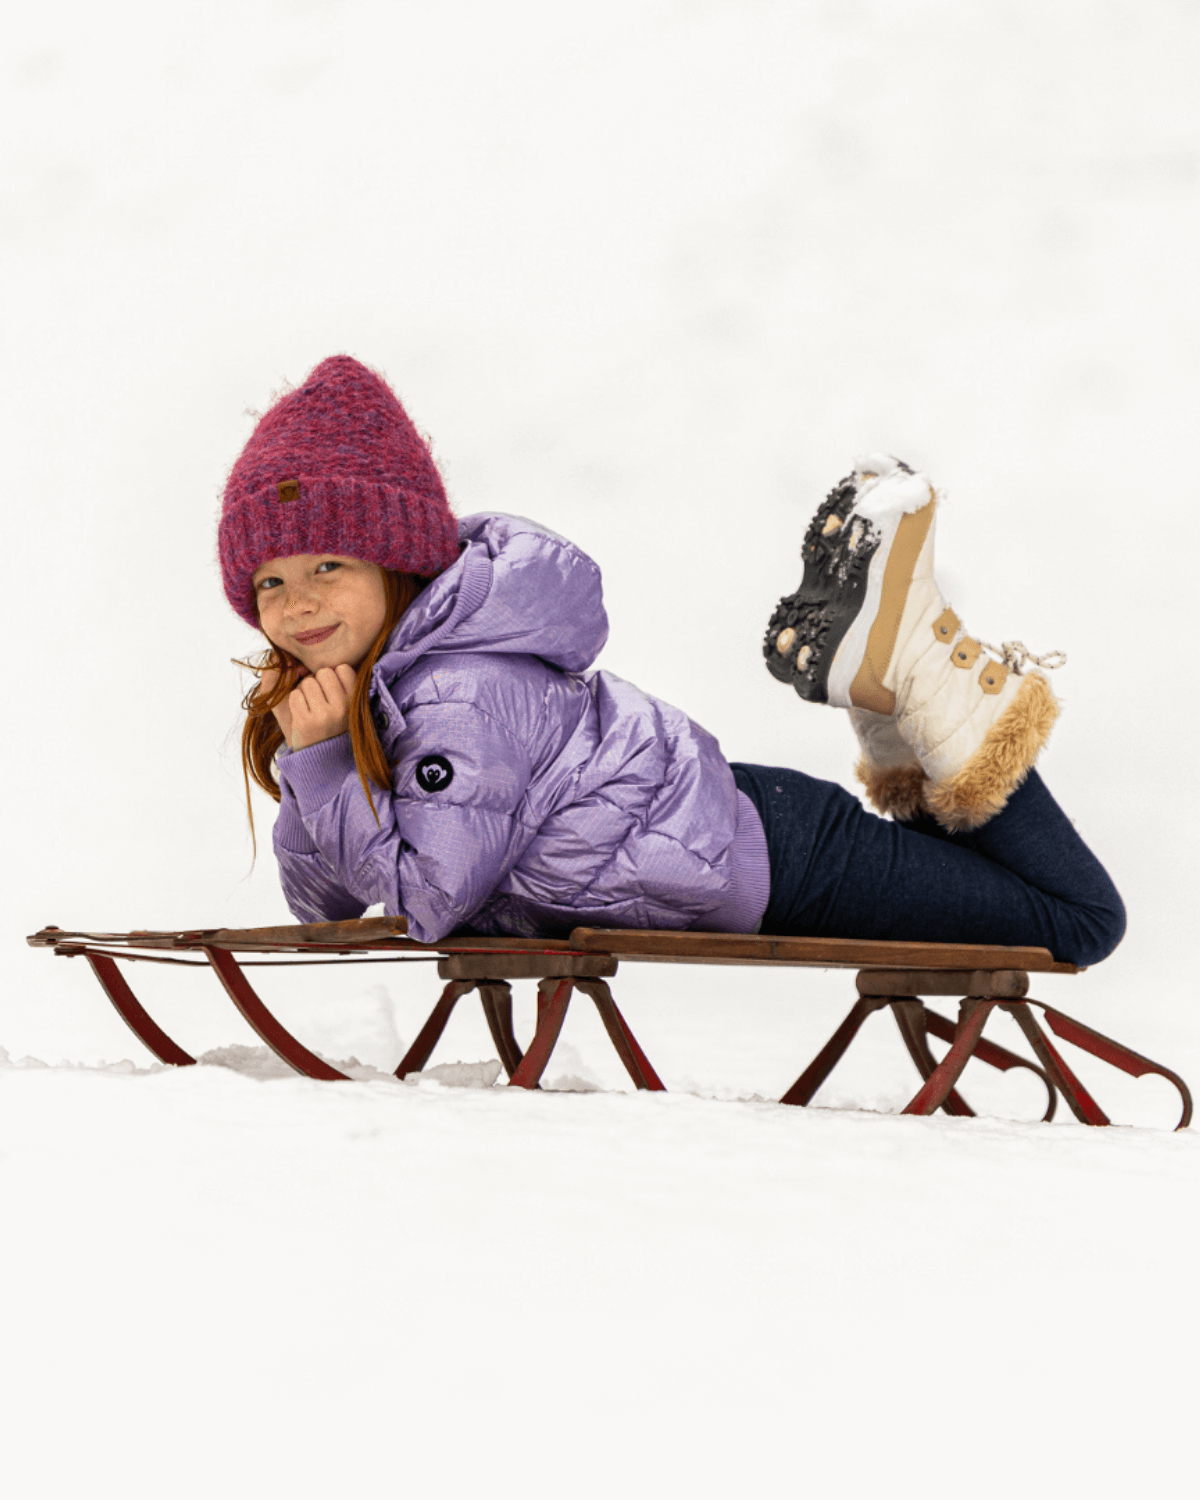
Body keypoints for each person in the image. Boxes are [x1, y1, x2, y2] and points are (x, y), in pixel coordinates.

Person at [219, 355, 1124, 965]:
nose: (296, 603)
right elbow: (331, 906)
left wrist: (330, 761)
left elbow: (426, 901)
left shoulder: (460, 694)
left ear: (398, 560)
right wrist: (315, 761)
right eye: (270, 581)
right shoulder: (387, 690)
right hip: (748, 837)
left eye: (328, 566)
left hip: (784, 860)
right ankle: (887, 693)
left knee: (1078, 922)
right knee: (1000, 895)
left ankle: (920, 672)